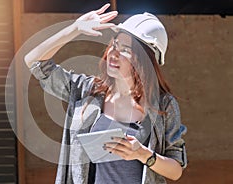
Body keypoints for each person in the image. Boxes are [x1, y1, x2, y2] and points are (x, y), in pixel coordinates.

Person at [24, 3, 187, 184]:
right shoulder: (86, 91)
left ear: (145, 60)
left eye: (125, 50)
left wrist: (143, 154)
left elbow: (175, 170)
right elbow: (34, 61)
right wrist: (75, 28)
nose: (113, 53)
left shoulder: (164, 105)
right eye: (114, 44)